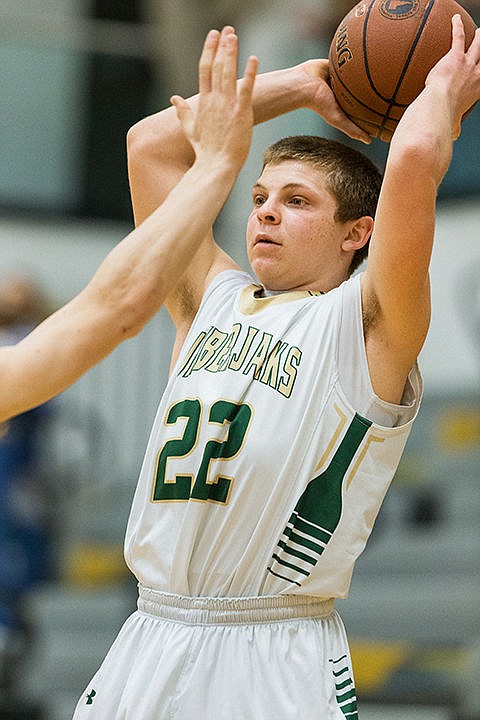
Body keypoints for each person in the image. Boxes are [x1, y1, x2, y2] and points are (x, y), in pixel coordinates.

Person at [72, 17, 480, 720]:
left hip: (273, 648)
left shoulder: (368, 325)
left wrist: (439, 90)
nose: (265, 214)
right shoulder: (210, 298)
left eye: (297, 202)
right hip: (150, 634)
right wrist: (304, 84)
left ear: (358, 232)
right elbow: (150, 144)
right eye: (260, 198)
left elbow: (412, 159)